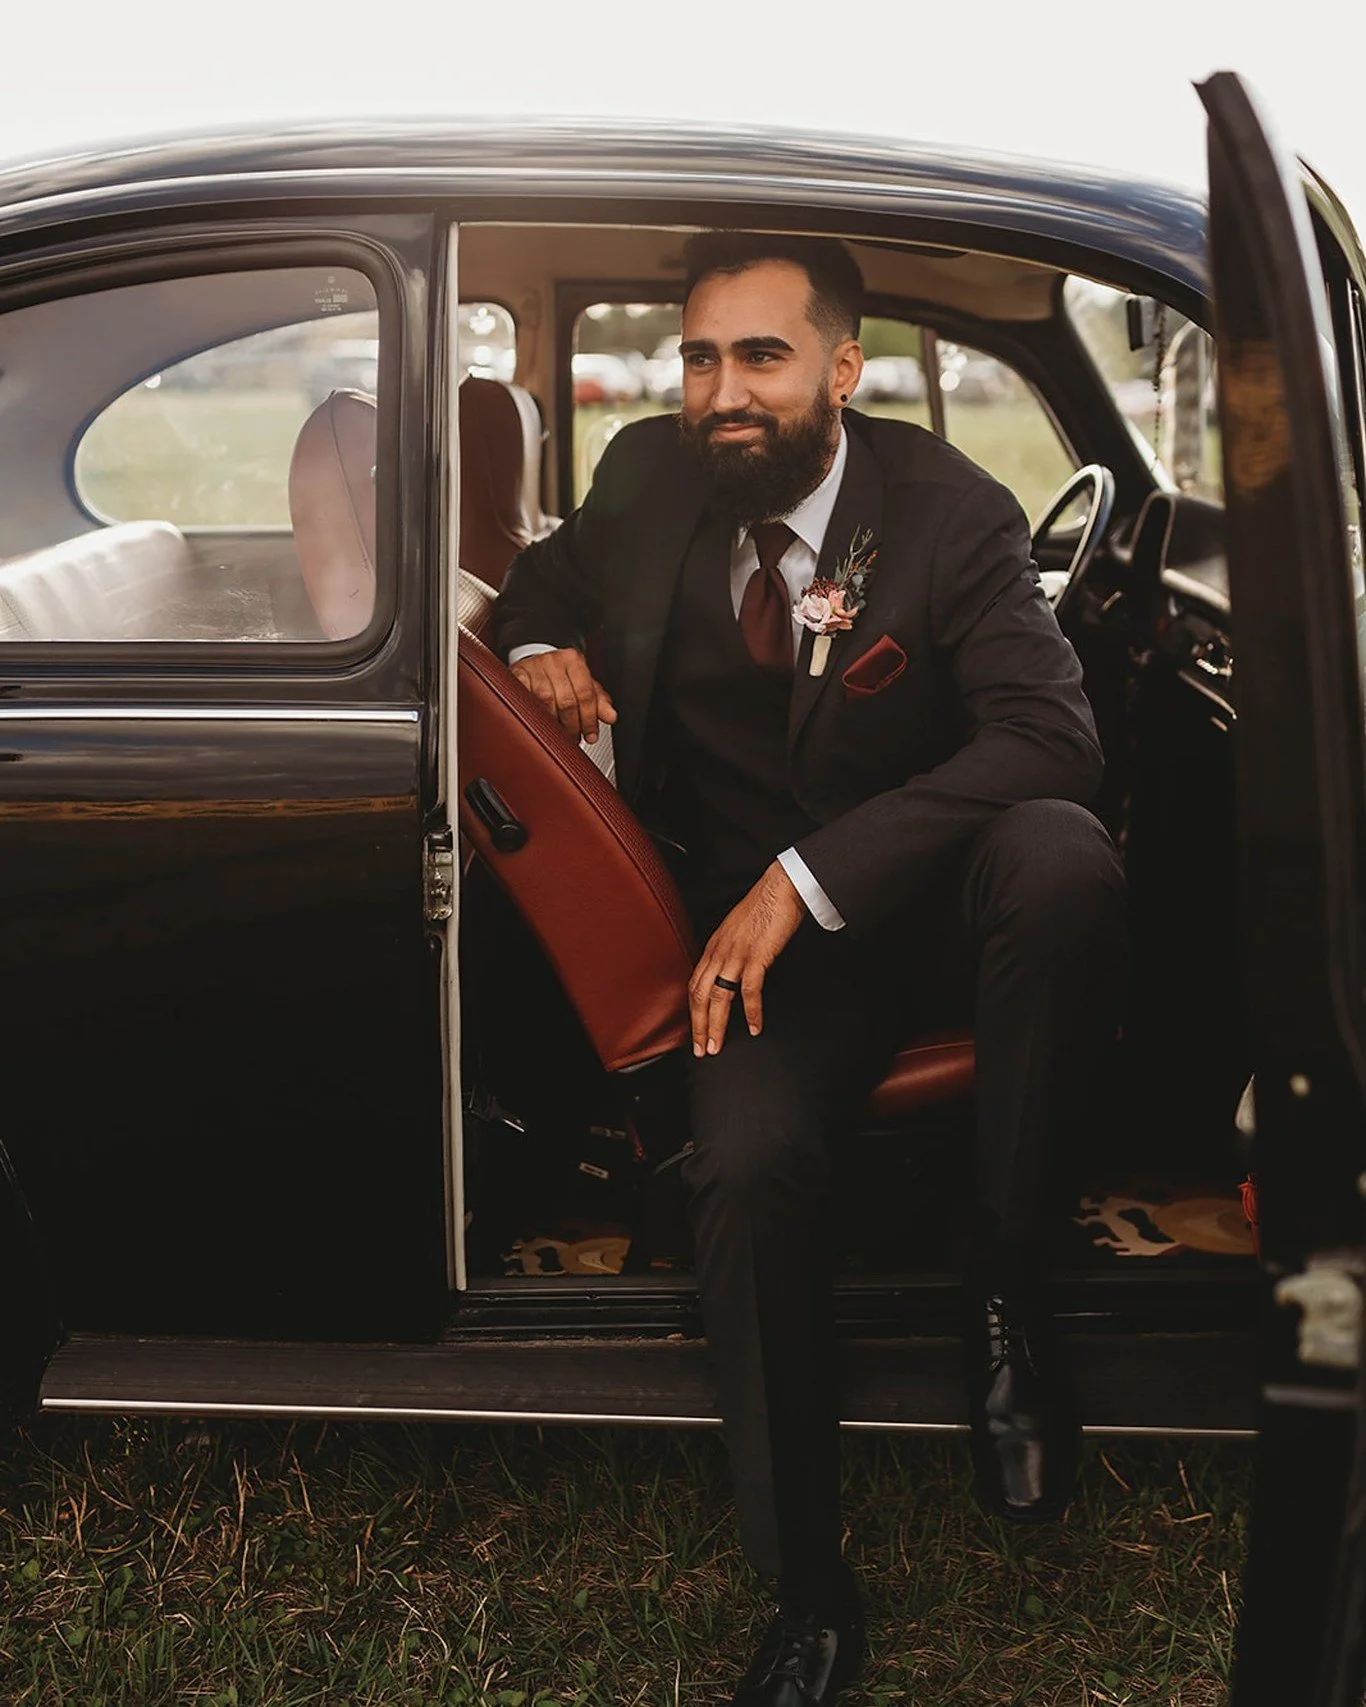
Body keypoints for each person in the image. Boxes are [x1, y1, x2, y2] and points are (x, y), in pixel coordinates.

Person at [493, 231, 1127, 1705]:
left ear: (841, 369)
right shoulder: (652, 472)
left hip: (922, 902)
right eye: (700, 357)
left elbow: (1056, 739)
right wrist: (531, 641)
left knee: (1059, 850)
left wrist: (813, 875)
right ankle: (808, 1589)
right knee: (744, 1165)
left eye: (760, 357)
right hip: (746, 945)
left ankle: (1003, 1285)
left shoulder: (947, 513)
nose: (723, 391)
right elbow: (540, 575)